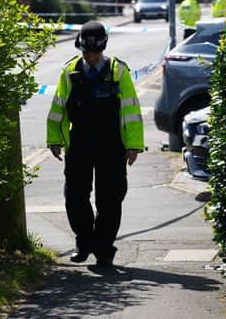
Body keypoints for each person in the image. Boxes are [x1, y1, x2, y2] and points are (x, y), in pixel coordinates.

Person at [46, 21, 144, 268]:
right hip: (79, 143)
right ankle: (85, 241)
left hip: (111, 144)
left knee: (110, 199)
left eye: (93, 52)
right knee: (75, 196)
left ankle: (103, 249)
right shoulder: (69, 71)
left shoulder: (118, 71)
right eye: (85, 52)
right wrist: (55, 139)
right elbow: (58, 107)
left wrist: (133, 145)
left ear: (102, 48)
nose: (89, 57)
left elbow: (131, 110)